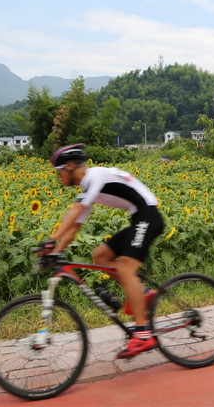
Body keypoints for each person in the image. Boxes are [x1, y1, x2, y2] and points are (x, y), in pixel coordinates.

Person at [44, 144, 165, 358]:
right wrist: (56, 251)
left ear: (70, 166)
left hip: (149, 217)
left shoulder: (95, 176)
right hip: (138, 219)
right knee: (100, 256)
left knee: (126, 269)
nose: (58, 176)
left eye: (58, 171)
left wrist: (51, 240)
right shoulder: (88, 189)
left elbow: (77, 210)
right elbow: (74, 227)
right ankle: (142, 292)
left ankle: (144, 334)